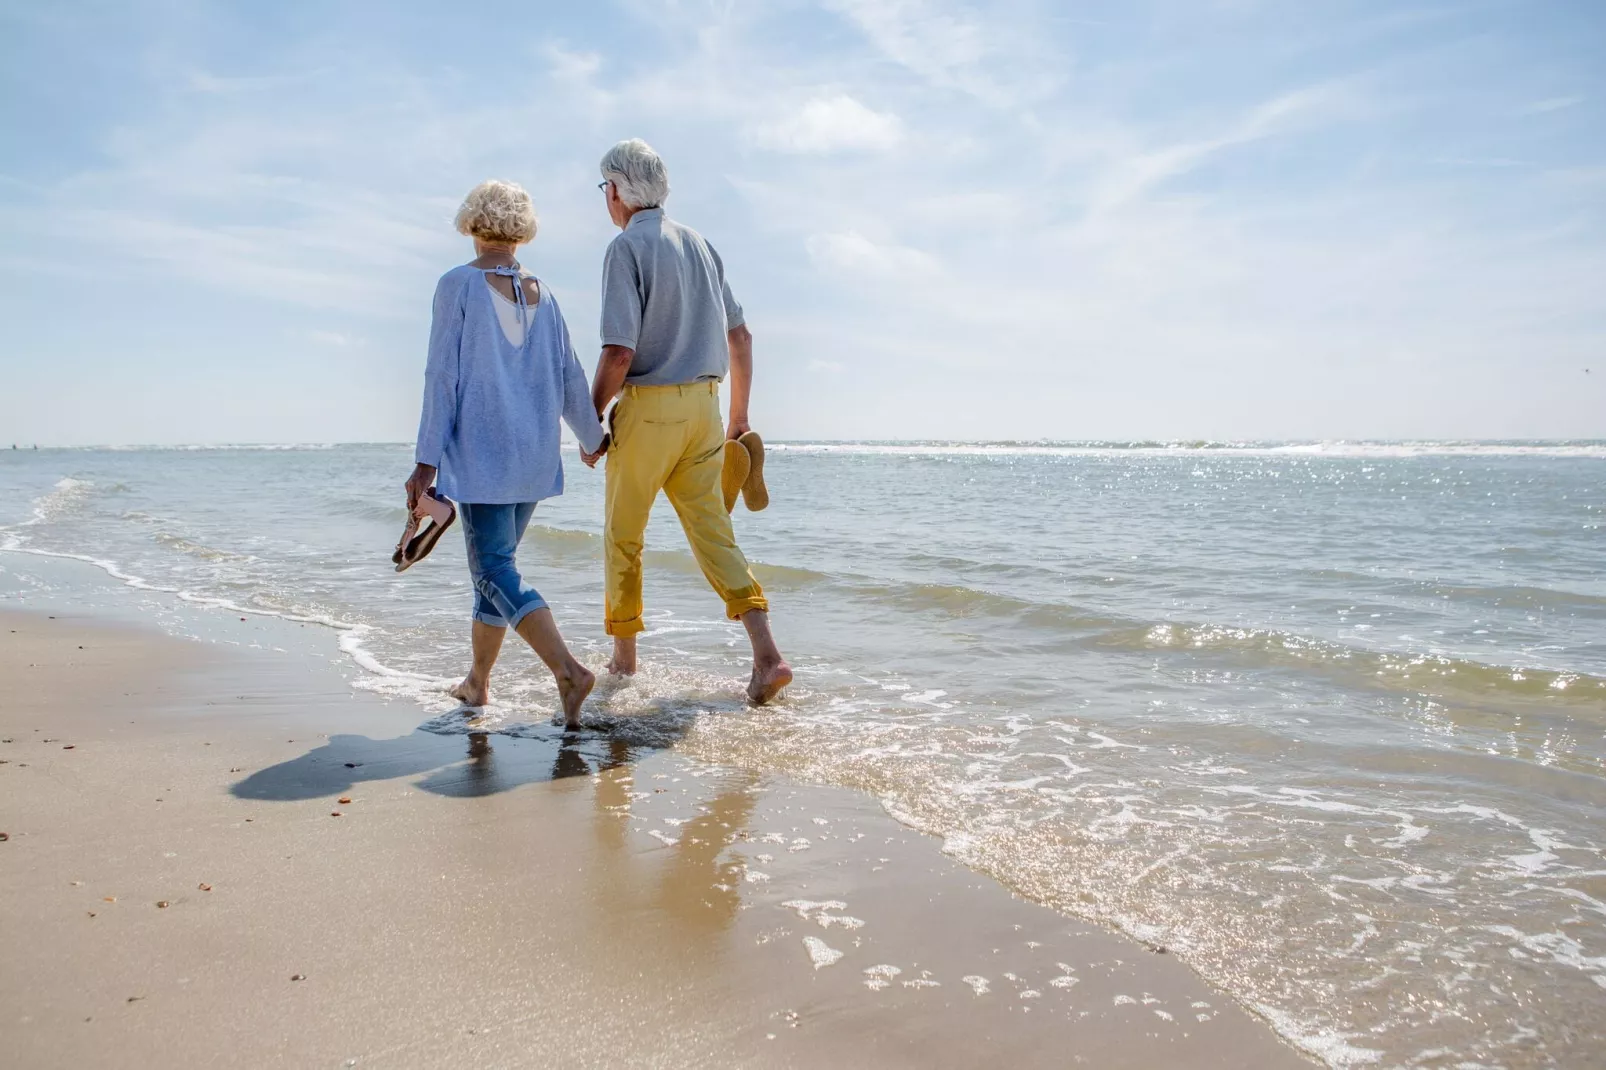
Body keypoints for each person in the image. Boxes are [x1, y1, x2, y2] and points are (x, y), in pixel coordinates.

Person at [583, 139, 792, 704]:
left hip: (649, 410)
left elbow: (619, 352)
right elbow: (741, 337)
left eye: (605, 188)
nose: (606, 199)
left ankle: (624, 665)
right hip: (706, 408)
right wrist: (738, 421)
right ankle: (767, 655)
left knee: (623, 536)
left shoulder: (625, 248)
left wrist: (588, 418)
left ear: (620, 190)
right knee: (712, 532)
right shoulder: (700, 244)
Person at [406, 179, 606, 729]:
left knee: (493, 568)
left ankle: (568, 671)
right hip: (535, 455)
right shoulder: (547, 292)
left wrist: (426, 460)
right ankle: (477, 682)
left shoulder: (457, 285)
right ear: (522, 229)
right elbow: (570, 376)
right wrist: (591, 439)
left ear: (472, 223)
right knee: (496, 570)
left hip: (485, 454)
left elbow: (440, 376)